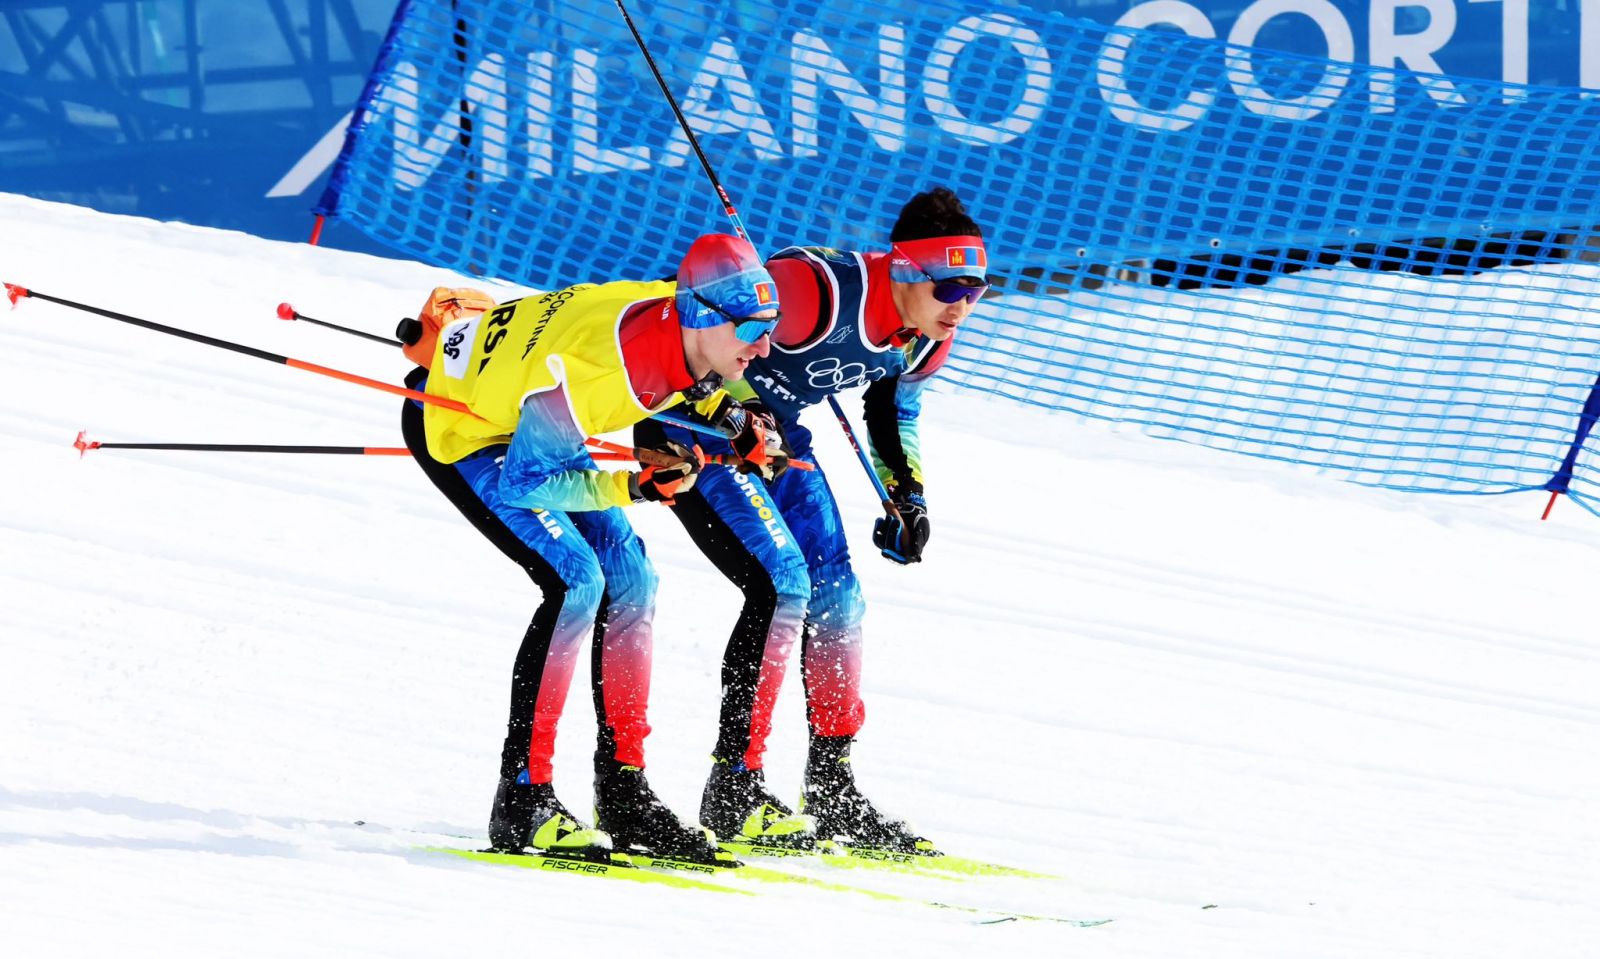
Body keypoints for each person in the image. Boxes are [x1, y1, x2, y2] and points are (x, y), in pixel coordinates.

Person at [399, 234, 786, 863]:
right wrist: (635, 485)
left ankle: (625, 792)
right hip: (463, 428)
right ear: (702, 316)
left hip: (531, 413)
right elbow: (526, 484)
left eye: (770, 328)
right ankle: (523, 797)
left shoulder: (676, 310)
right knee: (576, 580)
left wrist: (740, 421)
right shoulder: (604, 376)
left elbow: (693, 375)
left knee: (633, 579)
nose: (764, 346)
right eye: (751, 330)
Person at [635, 187, 990, 852]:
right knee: (783, 586)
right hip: (692, 425)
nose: (962, 306)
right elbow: (688, 323)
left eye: (977, 291)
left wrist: (907, 495)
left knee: (839, 595)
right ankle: (734, 787)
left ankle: (832, 788)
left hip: (777, 442)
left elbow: (893, 411)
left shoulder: (927, 340)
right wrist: (737, 414)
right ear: (906, 269)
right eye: (950, 288)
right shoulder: (813, 290)